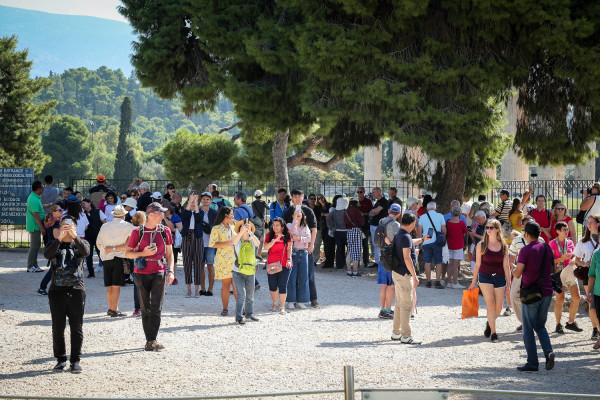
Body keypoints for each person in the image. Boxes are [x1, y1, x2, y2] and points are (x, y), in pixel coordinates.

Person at [124, 202, 175, 351]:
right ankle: (150, 340)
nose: (163, 216)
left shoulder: (165, 230)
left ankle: (151, 340)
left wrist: (171, 271)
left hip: (159, 271)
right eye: (160, 214)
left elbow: (170, 254)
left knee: (156, 308)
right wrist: (142, 253)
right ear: (151, 215)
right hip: (141, 273)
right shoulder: (137, 232)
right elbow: (127, 253)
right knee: (145, 308)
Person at [44, 216, 90, 373]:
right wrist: (59, 239)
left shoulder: (81, 243)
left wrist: (75, 237)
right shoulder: (54, 243)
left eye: (70, 226)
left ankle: (75, 360)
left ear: (76, 228)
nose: (67, 229)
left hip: (77, 290)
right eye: (64, 226)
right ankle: (60, 359)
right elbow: (47, 255)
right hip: (56, 290)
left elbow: (86, 252)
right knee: (58, 327)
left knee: (76, 326)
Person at [513, 222, 555, 372]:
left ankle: (532, 362)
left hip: (531, 293)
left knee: (528, 328)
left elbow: (518, 273)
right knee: (540, 325)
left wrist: (513, 271)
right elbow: (551, 268)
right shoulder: (546, 247)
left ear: (526, 235)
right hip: (547, 291)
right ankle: (548, 351)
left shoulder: (525, 250)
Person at [469, 219, 510, 343]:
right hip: (485, 276)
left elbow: (506, 266)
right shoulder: (481, 245)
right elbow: (477, 265)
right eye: (487, 227)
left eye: (491, 227)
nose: (488, 230)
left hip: (499, 276)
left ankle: (489, 321)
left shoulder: (503, 245)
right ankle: (494, 333)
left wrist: (509, 284)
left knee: (499, 307)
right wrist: (473, 281)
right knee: (491, 304)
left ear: (497, 229)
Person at [391, 213, 430, 344]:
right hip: (404, 274)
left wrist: (422, 239)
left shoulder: (399, 234)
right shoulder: (406, 236)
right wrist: (415, 276)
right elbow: (407, 258)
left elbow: (410, 243)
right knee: (407, 305)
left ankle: (396, 332)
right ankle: (406, 335)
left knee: (398, 304)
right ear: (412, 223)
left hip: (396, 273)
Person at [283, 188, 319, 307]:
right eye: (295, 196)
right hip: (292, 248)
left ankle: (312, 298)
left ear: (303, 197)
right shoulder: (288, 212)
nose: (297, 198)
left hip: (305, 247)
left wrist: (311, 244)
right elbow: (284, 229)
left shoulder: (308, 211)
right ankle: (291, 299)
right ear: (292, 198)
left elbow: (314, 229)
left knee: (308, 274)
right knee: (291, 275)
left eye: (299, 196)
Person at [96, 205, 134, 317]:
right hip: (119, 257)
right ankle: (114, 309)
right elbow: (130, 244)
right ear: (124, 215)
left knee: (109, 285)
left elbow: (98, 243)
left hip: (106, 257)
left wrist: (105, 251)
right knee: (116, 285)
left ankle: (110, 308)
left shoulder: (104, 226)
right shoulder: (128, 226)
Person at [548, 221, 581, 334]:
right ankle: (558, 324)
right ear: (557, 231)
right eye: (564, 229)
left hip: (569, 272)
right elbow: (549, 261)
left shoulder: (570, 242)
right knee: (560, 299)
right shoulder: (552, 243)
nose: (567, 231)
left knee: (576, 297)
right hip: (558, 273)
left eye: (567, 229)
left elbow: (575, 254)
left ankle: (571, 322)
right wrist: (561, 259)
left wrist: (572, 260)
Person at [508, 215, 539, 330]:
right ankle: (524, 320)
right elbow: (511, 259)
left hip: (535, 275)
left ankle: (532, 321)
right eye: (527, 225)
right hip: (520, 273)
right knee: (514, 296)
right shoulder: (516, 240)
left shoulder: (540, 240)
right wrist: (515, 269)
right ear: (523, 227)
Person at [573, 215, 600, 341]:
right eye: (587, 222)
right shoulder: (583, 241)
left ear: (598, 224)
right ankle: (595, 328)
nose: (589, 225)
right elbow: (577, 259)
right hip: (588, 273)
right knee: (592, 302)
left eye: (591, 222)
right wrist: (584, 264)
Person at [209, 206, 238, 316]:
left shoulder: (234, 226)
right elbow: (212, 244)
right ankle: (225, 308)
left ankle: (240, 308)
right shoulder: (216, 228)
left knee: (236, 285)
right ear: (226, 215)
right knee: (226, 285)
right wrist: (226, 244)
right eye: (231, 214)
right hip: (223, 260)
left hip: (235, 259)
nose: (233, 216)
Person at [376, 204, 403, 318]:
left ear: (388, 211)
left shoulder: (381, 221)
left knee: (383, 284)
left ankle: (382, 309)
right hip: (391, 257)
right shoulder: (396, 225)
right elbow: (397, 242)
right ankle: (387, 310)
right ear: (399, 214)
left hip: (382, 254)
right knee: (391, 285)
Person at [231, 220, 260, 324]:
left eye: (247, 227)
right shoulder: (237, 240)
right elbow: (233, 242)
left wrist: (251, 233)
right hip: (237, 272)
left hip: (250, 271)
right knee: (241, 295)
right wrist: (241, 232)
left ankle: (249, 314)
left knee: (250, 295)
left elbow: (258, 243)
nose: (245, 228)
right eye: (242, 227)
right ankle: (238, 316)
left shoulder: (252, 240)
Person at [264, 217, 293, 314]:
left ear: (282, 227)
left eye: (277, 225)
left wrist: (289, 260)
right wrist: (275, 240)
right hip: (272, 263)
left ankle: (282, 306)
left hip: (284, 263)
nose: (275, 227)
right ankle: (274, 303)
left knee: (282, 285)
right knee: (272, 285)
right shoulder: (269, 235)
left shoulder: (288, 236)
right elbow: (266, 247)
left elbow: (289, 249)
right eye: (274, 225)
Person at [180, 191, 205, 298]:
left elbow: (199, 218)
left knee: (198, 263)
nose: (194, 202)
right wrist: (190, 202)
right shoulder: (186, 211)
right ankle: (189, 290)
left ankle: (196, 290)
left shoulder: (200, 211)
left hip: (197, 237)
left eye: (195, 200)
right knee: (187, 263)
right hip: (187, 237)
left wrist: (196, 205)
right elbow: (184, 216)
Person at [286, 209, 311, 309]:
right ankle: (291, 300)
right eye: (296, 213)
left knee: (303, 277)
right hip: (294, 252)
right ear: (293, 215)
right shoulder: (289, 225)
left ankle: (302, 300)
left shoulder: (305, 226)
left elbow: (308, 238)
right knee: (292, 277)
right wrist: (295, 221)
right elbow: (292, 232)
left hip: (303, 253)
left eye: (300, 213)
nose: (298, 214)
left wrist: (299, 238)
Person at [37, 205, 64, 296]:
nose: (61, 211)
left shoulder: (51, 222)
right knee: (54, 268)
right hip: (56, 247)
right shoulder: (55, 223)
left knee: (56, 268)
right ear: (53, 212)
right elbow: (57, 236)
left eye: (61, 210)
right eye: (59, 210)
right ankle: (42, 287)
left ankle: (46, 287)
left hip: (52, 247)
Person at [419, 201, 447, 288]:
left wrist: (420, 241)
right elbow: (444, 229)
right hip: (437, 242)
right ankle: (438, 281)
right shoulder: (440, 216)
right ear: (435, 208)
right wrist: (444, 236)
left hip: (426, 241)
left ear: (427, 208)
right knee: (438, 262)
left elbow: (419, 230)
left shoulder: (422, 217)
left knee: (427, 262)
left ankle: (428, 281)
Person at [81, 199, 107, 278]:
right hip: (88, 237)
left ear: (89, 203)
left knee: (101, 255)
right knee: (88, 255)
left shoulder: (98, 211)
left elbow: (105, 223)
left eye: (84, 203)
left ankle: (108, 271)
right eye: (81, 204)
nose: (83, 205)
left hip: (98, 237)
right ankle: (91, 273)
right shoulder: (82, 214)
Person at [198, 192, 218, 296]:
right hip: (200, 242)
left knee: (210, 266)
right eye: (204, 199)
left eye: (207, 199)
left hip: (211, 244)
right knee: (201, 266)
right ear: (201, 200)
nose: (205, 201)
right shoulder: (197, 212)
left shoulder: (215, 213)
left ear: (210, 201)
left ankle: (210, 290)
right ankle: (203, 288)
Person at [445, 206, 467, 289]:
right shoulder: (461, 223)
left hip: (449, 244)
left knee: (449, 264)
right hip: (458, 245)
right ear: (460, 214)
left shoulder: (448, 222)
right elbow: (465, 232)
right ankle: (455, 282)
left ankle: (449, 282)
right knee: (456, 264)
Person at [26, 181, 46, 273]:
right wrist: (41, 227)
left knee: (36, 245)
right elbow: (36, 214)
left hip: (35, 225)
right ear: (38, 189)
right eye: (42, 188)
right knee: (34, 246)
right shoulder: (34, 199)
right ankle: (30, 266)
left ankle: (34, 265)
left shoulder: (35, 197)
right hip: (35, 226)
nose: (43, 189)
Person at [369, 187, 389, 268]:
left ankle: (380, 262)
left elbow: (376, 211)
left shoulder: (383, 201)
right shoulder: (377, 202)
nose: (372, 194)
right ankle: (377, 261)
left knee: (379, 243)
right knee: (374, 243)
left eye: (373, 192)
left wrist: (373, 212)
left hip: (378, 226)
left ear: (377, 192)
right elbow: (371, 212)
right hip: (374, 225)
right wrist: (373, 212)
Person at [344, 198, 365, 277]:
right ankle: (355, 272)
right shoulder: (356, 211)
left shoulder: (346, 211)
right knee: (356, 252)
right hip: (356, 231)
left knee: (349, 251)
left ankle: (349, 271)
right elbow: (362, 222)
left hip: (349, 231)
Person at [327, 197, 349, 270]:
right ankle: (347, 262)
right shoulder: (346, 211)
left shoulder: (334, 211)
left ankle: (339, 264)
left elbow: (328, 219)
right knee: (349, 248)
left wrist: (332, 228)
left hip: (337, 231)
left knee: (339, 248)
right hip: (346, 231)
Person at [586, 239, 600, 350]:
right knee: (598, 316)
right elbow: (592, 275)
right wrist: (588, 293)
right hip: (598, 292)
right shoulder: (597, 254)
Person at [163, 203, 182, 285]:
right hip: (162, 239)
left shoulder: (175, 217)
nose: (165, 211)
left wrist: (172, 229)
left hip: (173, 240)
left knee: (173, 258)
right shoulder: (158, 216)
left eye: (166, 209)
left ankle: (173, 276)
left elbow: (180, 228)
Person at [357, 187, 374, 268]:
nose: (359, 194)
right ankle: (357, 261)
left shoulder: (368, 202)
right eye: (358, 192)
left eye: (360, 192)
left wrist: (363, 214)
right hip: (356, 226)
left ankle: (366, 261)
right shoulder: (355, 201)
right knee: (356, 244)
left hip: (365, 226)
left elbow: (371, 213)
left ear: (364, 192)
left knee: (365, 244)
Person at [315, 195, 333, 268]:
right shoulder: (318, 208)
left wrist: (324, 214)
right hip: (322, 228)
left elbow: (332, 214)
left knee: (329, 245)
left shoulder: (329, 205)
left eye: (321, 197)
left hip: (330, 227)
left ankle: (329, 261)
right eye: (318, 198)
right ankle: (326, 260)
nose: (320, 199)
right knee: (325, 245)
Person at [251, 190, 268, 260]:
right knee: (261, 238)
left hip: (254, 220)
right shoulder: (263, 202)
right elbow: (269, 208)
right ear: (261, 196)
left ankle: (254, 253)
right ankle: (258, 254)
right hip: (261, 221)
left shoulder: (253, 203)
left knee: (255, 237)